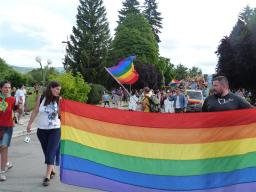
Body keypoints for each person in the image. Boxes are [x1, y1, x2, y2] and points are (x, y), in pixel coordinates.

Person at [27, 81, 61, 186]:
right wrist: (29, 124)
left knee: (50, 151)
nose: (59, 91)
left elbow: (61, 114)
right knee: (47, 152)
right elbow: (35, 111)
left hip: (55, 129)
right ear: (51, 88)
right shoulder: (41, 98)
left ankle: (47, 176)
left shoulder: (59, 99)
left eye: (60, 90)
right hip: (41, 130)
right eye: (57, 89)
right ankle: (52, 169)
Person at [0, 81, 15, 181]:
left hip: (7, 127)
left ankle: (1, 172)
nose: (7, 89)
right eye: (5, 87)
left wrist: (21, 107)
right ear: (1, 88)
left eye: (9, 87)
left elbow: (15, 110)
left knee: (4, 148)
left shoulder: (12, 99)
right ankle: (7, 163)